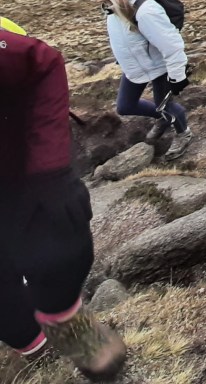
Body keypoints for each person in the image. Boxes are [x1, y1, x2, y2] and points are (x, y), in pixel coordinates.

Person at [0, 19, 127, 378]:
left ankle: (68, 324)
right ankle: (35, 347)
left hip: (20, 164)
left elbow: (40, 63)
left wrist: (50, 169)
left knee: (59, 248)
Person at [88, 0, 193, 159]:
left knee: (165, 105)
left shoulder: (146, 12)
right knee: (125, 106)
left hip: (160, 67)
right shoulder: (114, 7)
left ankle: (183, 132)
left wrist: (177, 77)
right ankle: (166, 117)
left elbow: (172, 46)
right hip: (137, 65)